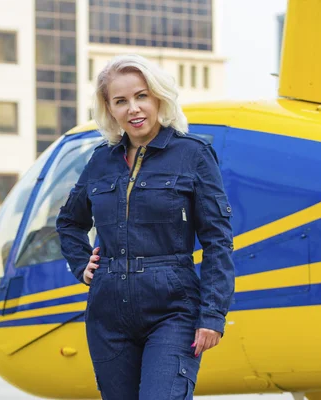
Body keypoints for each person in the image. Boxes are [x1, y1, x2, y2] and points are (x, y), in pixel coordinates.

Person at [55, 54, 235, 400]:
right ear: (109, 109)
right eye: (120, 101)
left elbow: (218, 242)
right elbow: (69, 221)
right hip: (108, 312)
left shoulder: (193, 154)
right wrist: (82, 265)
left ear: (158, 98)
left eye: (141, 96)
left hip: (172, 308)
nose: (133, 109)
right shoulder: (100, 160)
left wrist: (212, 314)